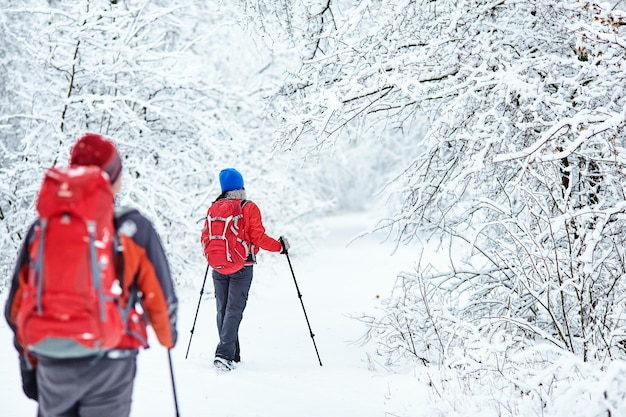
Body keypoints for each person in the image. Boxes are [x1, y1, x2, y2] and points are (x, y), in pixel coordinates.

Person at [4, 133, 178, 417]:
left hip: (52, 359)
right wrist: (168, 337)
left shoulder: (43, 229)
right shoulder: (133, 227)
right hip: (112, 360)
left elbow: (15, 307)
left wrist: (31, 361)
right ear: (112, 178)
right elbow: (161, 299)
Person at [211, 168, 289, 371]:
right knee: (234, 310)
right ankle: (224, 355)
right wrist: (280, 247)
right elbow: (259, 238)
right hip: (242, 265)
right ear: (241, 186)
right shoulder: (248, 207)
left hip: (218, 265)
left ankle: (231, 355)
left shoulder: (215, 208)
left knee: (222, 309)